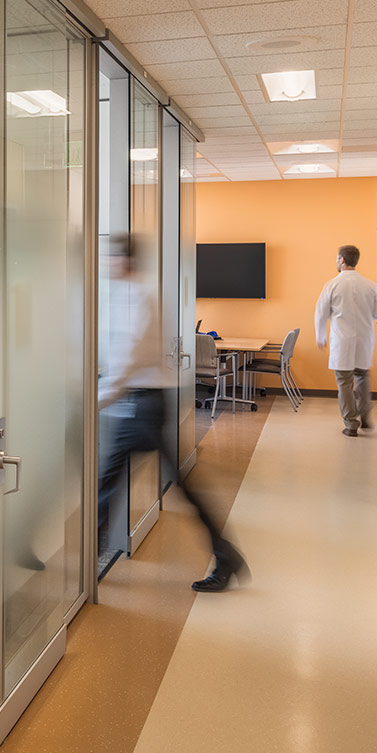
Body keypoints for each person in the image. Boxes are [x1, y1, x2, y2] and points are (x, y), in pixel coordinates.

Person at [98, 233, 247, 593]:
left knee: (115, 480)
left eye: (110, 258)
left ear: (124, 261)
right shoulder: (127, 295)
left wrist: (101, 396)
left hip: (145, 404)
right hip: (142, 401)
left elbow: (131, 353)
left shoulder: (138, 297)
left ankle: (92, 557)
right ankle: (226, 555)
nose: (106, 264)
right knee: (144, 481)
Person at [315, 244, 377, 437]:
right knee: (363, 377)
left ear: (342, 260)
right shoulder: (370, 285)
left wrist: (320, 336)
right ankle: (365, 415)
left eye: (337, 258)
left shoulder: (332, 285)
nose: (337, 261)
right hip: (364, 341)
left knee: (344, 382)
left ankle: (351, 423)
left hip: (342, 342)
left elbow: (321, 314)